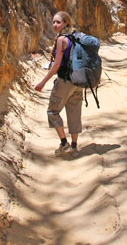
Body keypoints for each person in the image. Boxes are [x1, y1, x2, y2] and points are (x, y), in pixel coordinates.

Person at [35, 11, 83, 157]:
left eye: (58, 22)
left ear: (65, 23)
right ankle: (74, 146)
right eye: (54, 22)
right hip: (78, 81)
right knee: (74, 112)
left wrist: (43, 82)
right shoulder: (75, 37)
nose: (55, 25)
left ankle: (64, 144)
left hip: (65, 81)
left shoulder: (62, 39)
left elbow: (56, 66)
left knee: (52, 111)